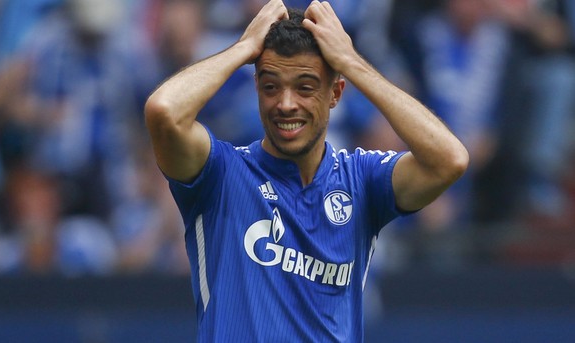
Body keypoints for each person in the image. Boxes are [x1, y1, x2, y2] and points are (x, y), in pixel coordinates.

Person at [144, 0, 468, 341]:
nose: (286, 104)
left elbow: (449, 159)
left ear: (335, 93)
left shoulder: (361, 181)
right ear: (256, 87)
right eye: (271, 86)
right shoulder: (220, 174)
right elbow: (164, 111)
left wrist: (351, 61)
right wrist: (242, 49)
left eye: (305, 87)